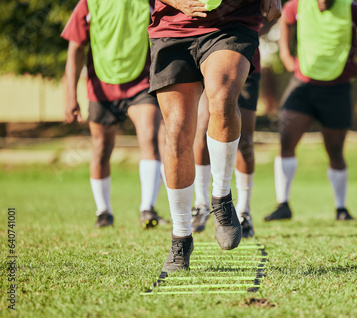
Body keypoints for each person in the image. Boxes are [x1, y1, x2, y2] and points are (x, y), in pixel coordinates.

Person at [148, 0, 281, 274]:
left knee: (221, 100)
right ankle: (181, 237)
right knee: (176, 134)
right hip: (172, 28)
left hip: (231, 22)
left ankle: (221, 197)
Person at [264, 0, 357, 222]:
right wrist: (285, 54)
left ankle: (341, 209)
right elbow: (285, 21)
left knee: (335, 151)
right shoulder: (298, 6)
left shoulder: (351, 8)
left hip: (337, 89)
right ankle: (283, 204)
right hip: (302, 85)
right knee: (286, 142)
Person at [62, 0, 167, 229]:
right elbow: (75, 48)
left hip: (141, 83)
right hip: (101, 84)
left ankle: (147, 209)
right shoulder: (89, 4)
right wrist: (71, 95)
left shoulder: (151, 2)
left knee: (150, 137)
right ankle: (104, 212)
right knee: (101, 148)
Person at [190, 48, 262, 238]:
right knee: (203, 127)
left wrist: (250, 30)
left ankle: (244, 210)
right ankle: (201, 203)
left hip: (245, 58)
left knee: (244, 140)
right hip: (211, 58)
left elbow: (272, 18)